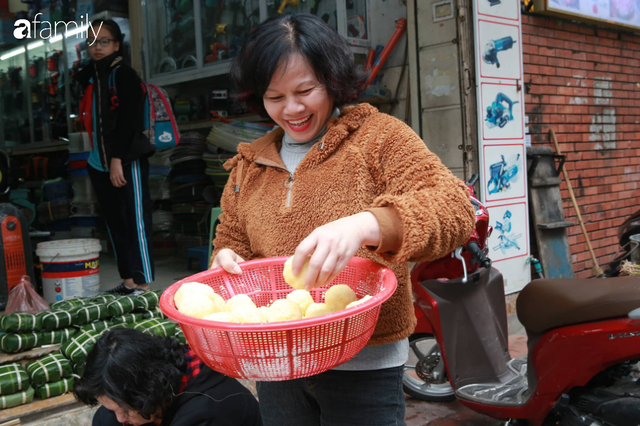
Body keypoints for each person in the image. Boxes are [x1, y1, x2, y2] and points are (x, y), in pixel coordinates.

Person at [209, 13, 476, 426]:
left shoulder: (379, 138)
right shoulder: (250, 164)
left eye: (305, 90)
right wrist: (225, 260)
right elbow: (232, 239)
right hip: (279, 362)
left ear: (332, 82)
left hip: (364, 362)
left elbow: (455, 208)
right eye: (274, 96)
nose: (291, 109)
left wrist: (366, 224)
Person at [75, 19, 155, 295]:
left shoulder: (123, 74)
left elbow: (130, 122)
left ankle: (142, 283)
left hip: (125, 159)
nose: (96, 47)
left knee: (134, 220)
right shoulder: (98, 75)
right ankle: (128, 281)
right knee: (115, 223)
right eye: (92, 42)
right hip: (99, 161)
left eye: (104, 41)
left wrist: (118, 159)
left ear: (117, 44)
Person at [74, 328, 262, 426]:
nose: (121, 418)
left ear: (147, 391)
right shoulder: (160, 387)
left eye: (123, 409)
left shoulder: (206, 412)